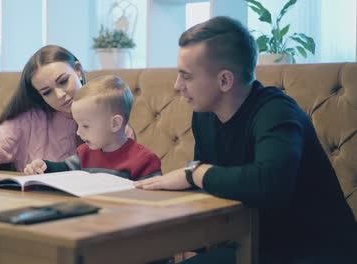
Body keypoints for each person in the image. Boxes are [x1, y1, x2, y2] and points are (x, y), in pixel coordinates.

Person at [135, 16, 357, 263]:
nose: (177, 86)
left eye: (186, 76)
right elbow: (212, 186)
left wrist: (194, 174)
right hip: (252, 245)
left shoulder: (276, 112)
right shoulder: (204, 116)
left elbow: (270, 185)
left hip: (315, 250)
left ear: (225, 80)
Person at [0, 45, 135, 185]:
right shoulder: (29, 121)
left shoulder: (116, 126)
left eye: (63, 81)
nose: (60, 95)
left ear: (79, 71)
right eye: (47, 92)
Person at [24, 75, 161, 180]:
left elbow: (154, 198)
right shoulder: (84, 153)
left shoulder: (145, 160)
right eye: (78, 125)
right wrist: (44, 166)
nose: (78, 132)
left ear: (115, 124)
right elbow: (65, 169)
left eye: (86, 126)